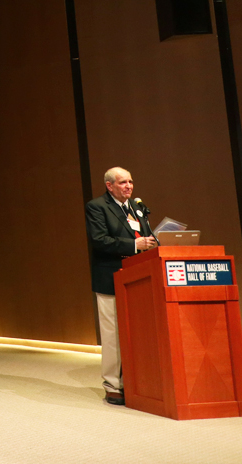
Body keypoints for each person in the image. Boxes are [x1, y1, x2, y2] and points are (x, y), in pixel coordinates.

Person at [85, 167, 157, 405]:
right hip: (110, 278)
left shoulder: (136, 208)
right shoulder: (97, 207)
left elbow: (145, 238)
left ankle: (137, 381)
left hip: (139, 278)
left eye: (131, 181)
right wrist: (136, 244)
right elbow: (100, 241)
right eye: (123, 182)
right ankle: (113, 385)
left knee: (138, 333)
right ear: (109, 185)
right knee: (113, 334)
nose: (129, 186)